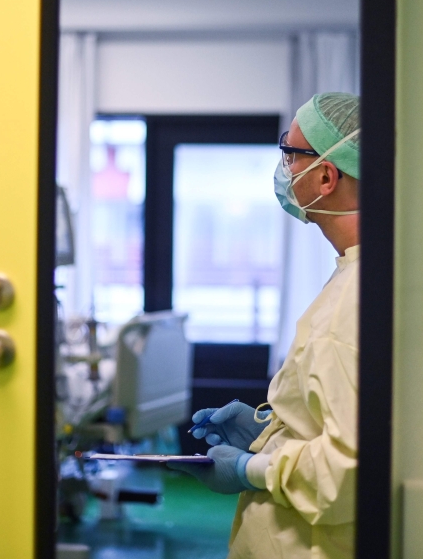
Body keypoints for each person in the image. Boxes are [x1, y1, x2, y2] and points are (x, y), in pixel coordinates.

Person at [171, 93, 360, 558]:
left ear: (326, 176)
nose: (284, 169)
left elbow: (346, 469)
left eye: (290, 153)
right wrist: (268, 430)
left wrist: (249, 469)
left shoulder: (353, 300)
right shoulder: (354, 276)